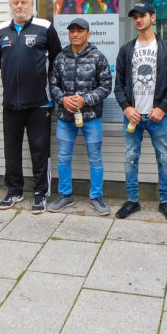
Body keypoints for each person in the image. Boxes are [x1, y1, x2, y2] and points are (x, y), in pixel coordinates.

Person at [0, 0, 62, 213]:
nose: (19, 6)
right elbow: (0, 61)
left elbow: (56, 60)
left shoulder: (45, 28)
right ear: (11, 6)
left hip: (39, 103)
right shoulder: (0, 30)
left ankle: (41, 193)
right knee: (11, 150)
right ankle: (14, 190)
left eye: (24, 2)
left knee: (40, 150)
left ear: (31, 5)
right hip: (10, 104)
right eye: (15, 2)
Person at [114, 1, 167, 222]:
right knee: (130, 158)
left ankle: (165, 202)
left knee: (164, 158)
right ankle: (132, 201)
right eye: (134, 17)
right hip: (133, 116)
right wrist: (126, 107)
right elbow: (118, 85)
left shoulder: (166, 48)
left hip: (157, 117)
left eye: (142, 15)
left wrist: (162, 108)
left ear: (153, 17)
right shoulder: (126, 50)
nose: (138, 20)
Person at [48, 18, 112, 215]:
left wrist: (86, 100)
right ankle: (65, 195)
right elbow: (52, 85)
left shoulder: (97, 57)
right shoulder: (60, 58)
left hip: (91, 118)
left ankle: (96, 197)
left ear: (88, 34)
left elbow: (106, 86)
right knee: (64, 157)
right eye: (72, 31)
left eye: (80, 31)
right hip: (66, 119)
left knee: (95, 158)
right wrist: (63, 100)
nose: (75, 34)